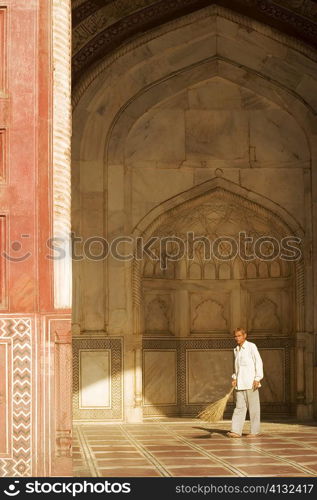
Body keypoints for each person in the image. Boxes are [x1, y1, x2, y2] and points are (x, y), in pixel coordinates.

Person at [227, 327, 263, 438]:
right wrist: (235, 378)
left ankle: (255, 431)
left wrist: (257, 378)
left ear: (244, 335)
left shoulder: (251, 347)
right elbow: (237, 367)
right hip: (240, 383)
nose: (237, 338)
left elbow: (258, 362)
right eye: (235, 336)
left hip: (251, 382)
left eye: (239, 335)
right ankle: (236, 431)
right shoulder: (236, 349)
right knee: (239, 407)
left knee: (254, 408)